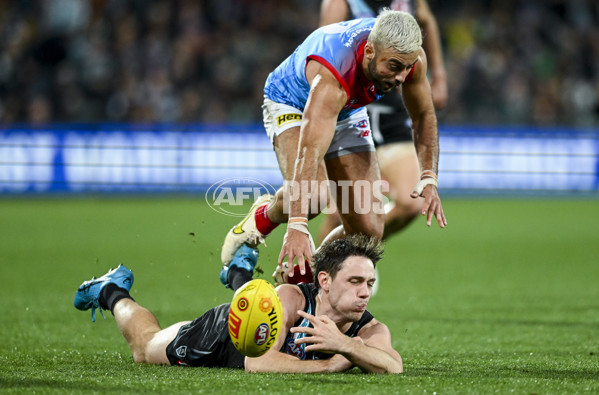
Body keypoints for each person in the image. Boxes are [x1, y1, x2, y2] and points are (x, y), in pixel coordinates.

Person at [220, 10, 447, 290]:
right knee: (315, 196)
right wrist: (297, 225)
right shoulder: (335, 71)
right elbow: (310, 150)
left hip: (347, 110)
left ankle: (306, 278)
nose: (401, 77)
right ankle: (261, 218)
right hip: (293, 101)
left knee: (369, 232)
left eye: (406, 68)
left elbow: (424, 116)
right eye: (394, 66)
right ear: (369, 52)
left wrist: (428, 175)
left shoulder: (411, 59)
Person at [73, 234, 403, 374]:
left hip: (257, 316)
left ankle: (238, 270)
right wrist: (328, 365)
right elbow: (257, 363)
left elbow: (393, 365)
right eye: (356, 282)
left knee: (257, 299)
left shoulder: (370, 328)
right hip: (227, 336)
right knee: (144, 349)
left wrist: (344, 345)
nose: (365, 293)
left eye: (370, 284)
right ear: (325, 282)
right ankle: (111, 290)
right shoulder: (293, 299)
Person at [317, 0, 448, 243]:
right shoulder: (341, 3)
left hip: (391, 107)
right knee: (339, 213)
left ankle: (352, 250)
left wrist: (438, 75)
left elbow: (426, 20)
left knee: (410, 204)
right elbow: (326, 56)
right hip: (348, 107)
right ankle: (323, 273)